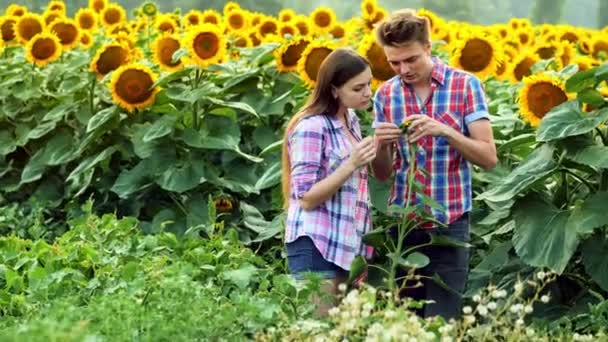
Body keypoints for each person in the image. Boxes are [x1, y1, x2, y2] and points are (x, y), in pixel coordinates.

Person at [370, 9, 497, 319]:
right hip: (403, 225)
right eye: (394, 63)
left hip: (449, 222)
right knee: (404, 323)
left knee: (443, 321)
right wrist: (381, 144)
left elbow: (489, 158)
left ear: (428, 47)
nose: (404, 69)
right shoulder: (386, 95)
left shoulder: (465, 85)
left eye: (411, 59)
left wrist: (445, 131)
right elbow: (383, 172)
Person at [281, 48, 376, 316]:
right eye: (358, 88)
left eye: (369, 84)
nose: (367, 92)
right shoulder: (311, 127)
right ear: (334, 90)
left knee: (344, 332)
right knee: (318, 330)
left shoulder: (351, 119)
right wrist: (352, 163)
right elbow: (307, 198)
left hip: (348, 245)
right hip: (317, 243)